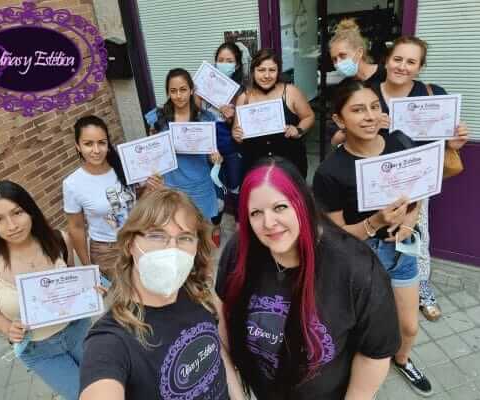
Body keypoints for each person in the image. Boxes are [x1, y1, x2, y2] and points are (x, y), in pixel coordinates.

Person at [216, 157, 400, 399]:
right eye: (256, 213)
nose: (269, 223)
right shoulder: (240, 250)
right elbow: (219, 320)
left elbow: (374, 354)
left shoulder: (357, 267)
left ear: (302, 202)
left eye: (280, 207)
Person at [312, 78, 435, 396]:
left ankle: (403, 359)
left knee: (408, 326)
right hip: (361, 257)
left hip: (402, 251)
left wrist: (408, 222)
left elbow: (416, 191)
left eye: (373, 107)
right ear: (339, 120)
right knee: (365, 331)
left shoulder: (399, 142)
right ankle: (360, 378)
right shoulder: (330, 171)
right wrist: (374, 223)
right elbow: (335, 235)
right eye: (357, 110)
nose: (368, 116)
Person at [79, 189, 245, 400]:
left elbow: (214, 351)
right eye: (157, 236)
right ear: (130, 244)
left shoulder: (197, 293)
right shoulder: (111, 341)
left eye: (185, 238)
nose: (171, 249)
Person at [374, 36, 469, 322]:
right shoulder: (367, 93)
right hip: (375, 180)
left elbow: (446, 138)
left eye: (411, 62)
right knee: (375, 235)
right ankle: (375, 289)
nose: (402, 66)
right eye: (398, 59)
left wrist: (454, 142)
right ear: (387, 60)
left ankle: (421, 285)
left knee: (416, 233)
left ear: (420, 67)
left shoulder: (431, 94)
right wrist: (370, 126)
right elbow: (343, 137)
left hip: (417, 180)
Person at [0, 180, 89, 400]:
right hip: (38, 349)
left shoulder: (59, 240)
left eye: (17, 212)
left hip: (78, 330)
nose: (12, 225)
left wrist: (90, 292)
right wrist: (6, 326)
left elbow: (71, 281)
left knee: (107, 382)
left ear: (30, 210)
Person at [63, 115, 162, 281]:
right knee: (125, 299)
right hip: (107, 252)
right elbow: (76, 227)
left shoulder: (123, 167)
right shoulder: (72, 184)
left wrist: (151, 189)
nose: (96, 150)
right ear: (78, 146)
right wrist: (88, 266)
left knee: (150, 288)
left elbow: (135, 202)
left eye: (101, 142)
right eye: (88, 144)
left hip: (139, 239)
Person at [151, 68, 222, 224]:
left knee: (201, 230)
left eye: (183, 89)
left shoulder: (206, 118)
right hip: (171, 186)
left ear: (191, 90)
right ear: (168, 93)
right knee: (176, 229)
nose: (178, 95)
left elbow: (215, 153)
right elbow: (153, 152)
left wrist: (215, 158)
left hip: (200, 184)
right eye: (173, 91)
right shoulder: (158, 118)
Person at [232, 48, 315, 179]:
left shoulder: (290, 92)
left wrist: (298, 130)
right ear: (253, 71)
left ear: (278, 72)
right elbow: (237, 132)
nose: (266, 75)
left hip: (290, 164)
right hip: (256, 166)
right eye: (261, 70)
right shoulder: (244, 98)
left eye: (272, 70)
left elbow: (309, 116)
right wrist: (237, 135)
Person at [199, 42, 245, 224]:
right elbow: (194, 117)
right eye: (220, 60)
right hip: (209, 148)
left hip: (232, 147)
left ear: (237, 65)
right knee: (214, 187)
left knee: (235, 185)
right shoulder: (202, 87)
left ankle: (239, 223)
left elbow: (242, 129)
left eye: (229, 60)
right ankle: (216, 225)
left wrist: (232, 118)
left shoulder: (241, 92)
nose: (224, 64)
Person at [328, 18, 387, 145]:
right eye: (334, 59)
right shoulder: (342, 88)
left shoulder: (386, 76)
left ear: (359, 52)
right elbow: (334, 140)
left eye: (342, 56)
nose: (338, 63)